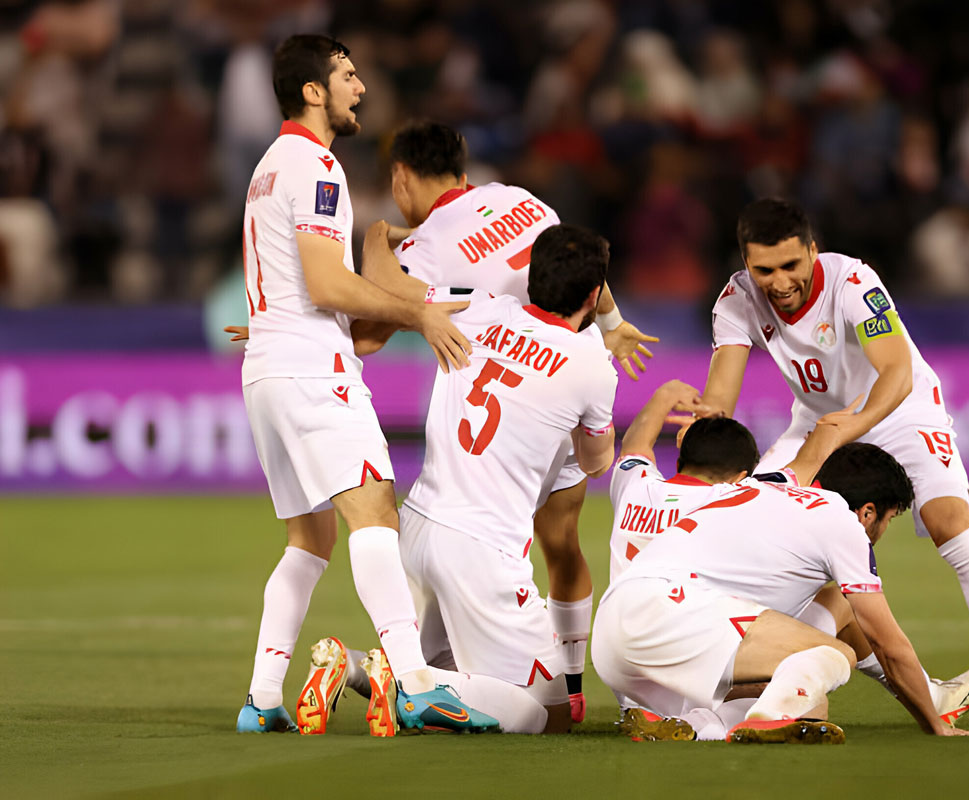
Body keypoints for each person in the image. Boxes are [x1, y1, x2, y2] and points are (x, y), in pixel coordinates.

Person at [695, 198, 969, 726]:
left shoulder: (853, 282)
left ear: (812, 251)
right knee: (756, 524)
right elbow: (720, 395)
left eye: (791, 265)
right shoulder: (737, 298)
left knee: (948, 523)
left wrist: (840, 433)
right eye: (763, 269)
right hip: (815, 421)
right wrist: (704, 429)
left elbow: (896, 373)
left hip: (899, 409)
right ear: (747, 263)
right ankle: (740, 670)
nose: (779, 281)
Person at [349, 120, 656, 722]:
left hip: (447, 478)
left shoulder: (467, 296)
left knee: (460, 619)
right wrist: (613, 324)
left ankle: (406, 672)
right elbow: (580, 259)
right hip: (556, 405)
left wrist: (377, 236)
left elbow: (369, 329)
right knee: (561, 546)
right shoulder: (520, 198)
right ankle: (564, 682)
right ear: (464, 170)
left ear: (401, 177)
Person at [234, 34, 495, 736]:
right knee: (374, 508)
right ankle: (414, 682)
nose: (361, 88)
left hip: (267, 367)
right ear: (313, 91)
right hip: (312, 370)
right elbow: (324, 283)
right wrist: (416, 310)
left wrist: (275, 321)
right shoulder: (317, 166)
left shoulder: (267, 167)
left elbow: (289, 279)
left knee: (308, 538)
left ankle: (262, 699)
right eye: (348, 76)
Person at [609, 385, 969, 726]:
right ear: (740, 475)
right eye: (890, 518)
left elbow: (633, 449)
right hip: (681, 635)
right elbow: (803, 465)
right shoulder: (737, 494)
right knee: (821, 674)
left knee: (832, 613)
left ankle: (680, 717)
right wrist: (831, 427)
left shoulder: (641, 486)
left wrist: (661, 397)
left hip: (622, 633)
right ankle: (705, 724)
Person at [397, 223, 618, 733]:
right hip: (482, 552)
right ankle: (392, 677)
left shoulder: (474, 305)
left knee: (461, 684)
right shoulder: (592, 364)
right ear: (593, 295)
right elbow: (594, 462)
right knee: (552, 717)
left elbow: (396, 288)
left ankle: (385, 670)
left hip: (416, 528)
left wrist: (380, 239)